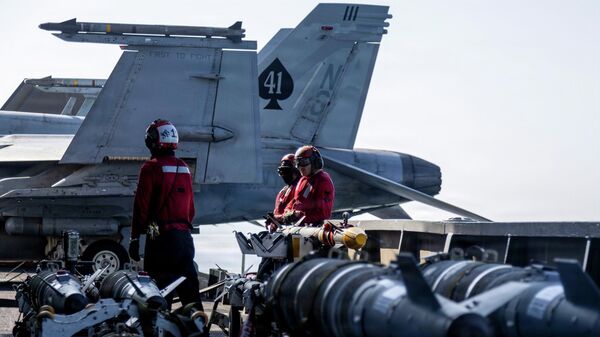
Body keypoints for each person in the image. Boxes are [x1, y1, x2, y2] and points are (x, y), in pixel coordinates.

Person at [128, 119, 201, 309]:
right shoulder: (184, 168)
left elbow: (141, 206)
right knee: (190, 295)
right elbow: (190, 208)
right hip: (184, 239)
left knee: (157, 296)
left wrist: (135, 238)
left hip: (161, 241)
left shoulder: (151, 168)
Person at [283, 145, 335, 226]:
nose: (300, 167)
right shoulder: (303, 180)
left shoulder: (323, 181)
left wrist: (299, 216)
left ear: (314, 162)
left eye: (303, 162)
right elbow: (294, 202)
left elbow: (324, 214)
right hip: (299, 226)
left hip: (313, 228)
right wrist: (289, 213)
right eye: (297, 163)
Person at [267, 153, 300, 231]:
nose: (284, 175)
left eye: (286, 171)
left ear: (296, 171)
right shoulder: (283, 191)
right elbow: (278, 212)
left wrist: (276, 218)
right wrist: (271, 223)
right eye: (282, 171)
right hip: (278, 231)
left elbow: (297, 214)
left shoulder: (299, 189)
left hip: (291, 230)